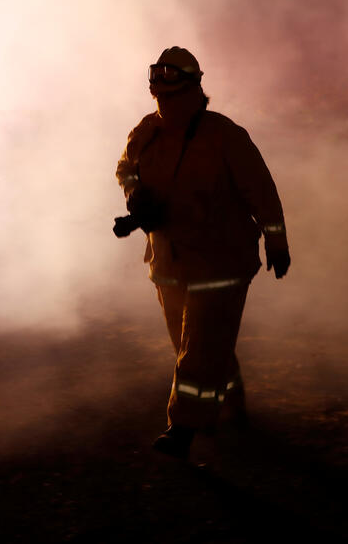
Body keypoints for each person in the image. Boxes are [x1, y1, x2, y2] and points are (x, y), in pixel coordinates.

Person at [115, 46, 291, 459]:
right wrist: (135, 194)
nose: (161, 92)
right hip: (168, 262)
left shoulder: (224, 135)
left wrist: (276, 242)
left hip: (222, 263)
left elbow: (261, 192)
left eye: (170, 81)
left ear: (192, 84)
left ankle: (183, 429)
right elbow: (125, 168)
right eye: (157, 81)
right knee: (194, 344)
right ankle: (231, 402)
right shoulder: (146, 131)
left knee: (197, 351)